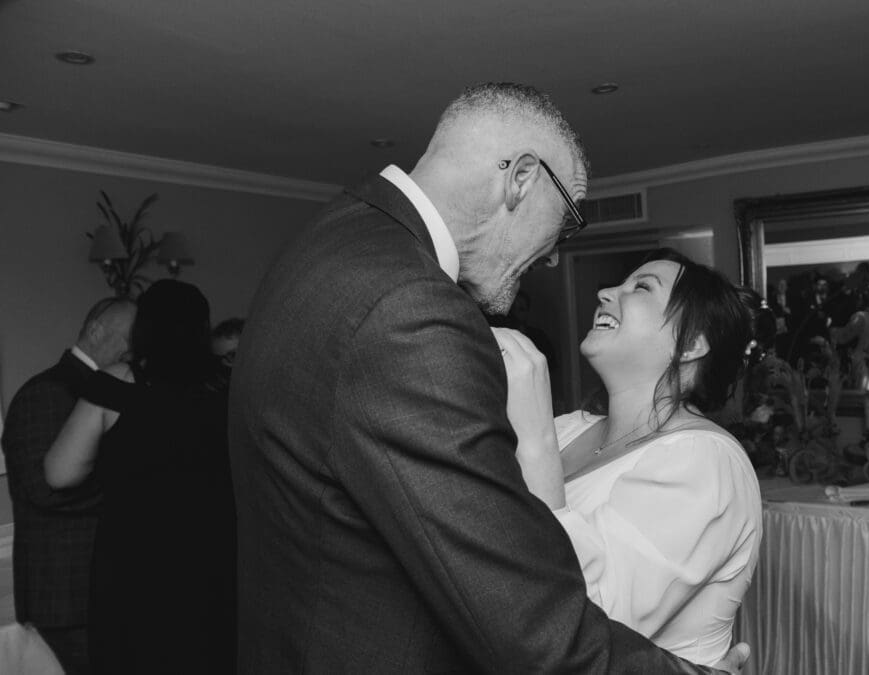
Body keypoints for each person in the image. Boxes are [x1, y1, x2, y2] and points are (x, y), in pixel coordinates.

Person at [228, 83, 749, 673]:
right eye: (569, 219)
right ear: (521, 178)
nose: (556, 256)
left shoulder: (333, 240)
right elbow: (526, 618)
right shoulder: (412, 307)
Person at [494, 249, 762, 667]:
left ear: (691, 344)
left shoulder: (705, 461)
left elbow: (584, 623)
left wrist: (534, 444)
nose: (604, 293)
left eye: (641, 288)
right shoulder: (569, 428)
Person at [44, 280, 236, 674]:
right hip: (211, 557)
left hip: (133, 564)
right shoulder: (226, 384)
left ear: (144, 328)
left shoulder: (117, 382)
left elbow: (59, 472)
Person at [1, 297, 135, 675]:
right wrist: (134, 488)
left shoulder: (100, 387)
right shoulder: (48, 391)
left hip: (91, 591)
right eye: (130, 336)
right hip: (66, 596)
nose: (134, 348)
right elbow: (45, 490)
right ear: (95, 330)